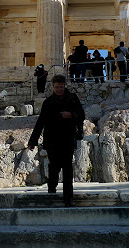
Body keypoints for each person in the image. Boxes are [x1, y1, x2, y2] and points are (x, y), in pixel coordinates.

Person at [28, 74, 85, 207]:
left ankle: (68, 198)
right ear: (53, 87)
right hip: (52, 140)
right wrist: (33, 140)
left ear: (64, 86)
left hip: (68, 138)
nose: (59, 89)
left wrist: (71, 115)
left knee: (67, 168)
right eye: (56, 87)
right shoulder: (48, 102)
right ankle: (52, 186)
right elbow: (41, 121)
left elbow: (81, 115)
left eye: (61, 87)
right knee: (54, 166)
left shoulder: (73, 99)